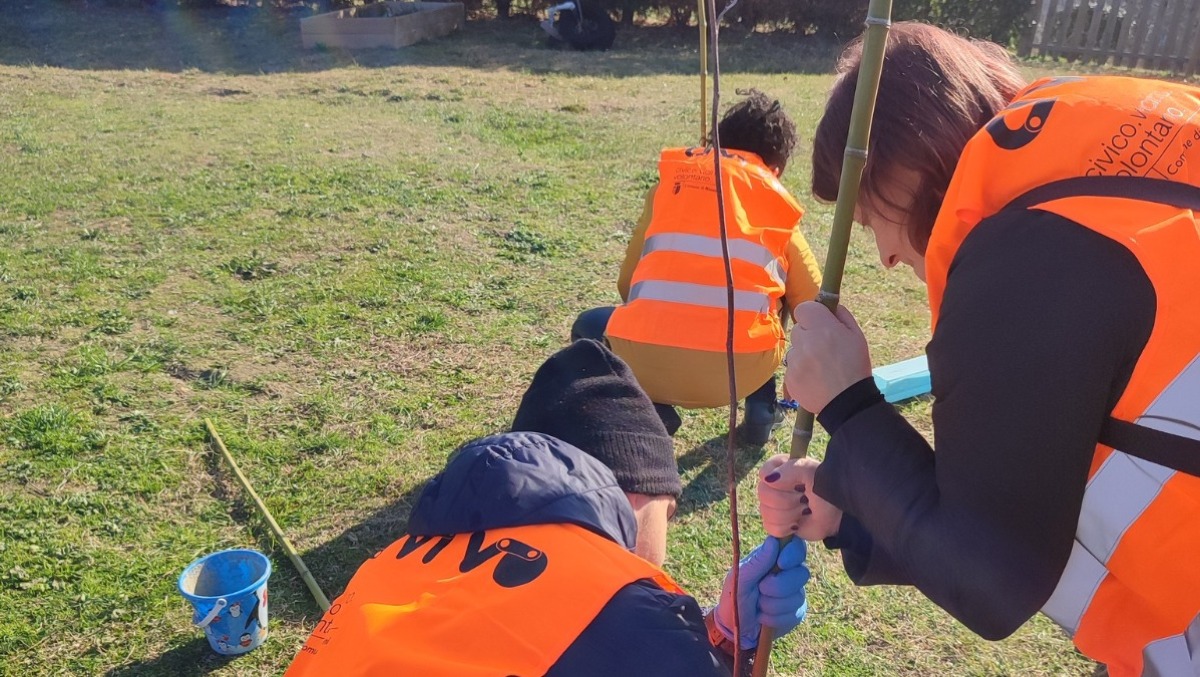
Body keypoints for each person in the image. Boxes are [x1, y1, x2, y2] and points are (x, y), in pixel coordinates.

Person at [757, 21, 1200, 677]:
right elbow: (1022, 506)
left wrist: (849, 408)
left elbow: (991, 579)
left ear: (907, 153)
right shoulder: (1104, 192)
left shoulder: (1028, 258)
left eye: (873, 215)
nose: (881, 253)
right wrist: (853, 507)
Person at [285, 339, 810, 676]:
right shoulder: (623, 615)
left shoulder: (392, 563)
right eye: (665, 514)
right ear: (631, 499)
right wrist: (721, 645)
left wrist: (718, 626)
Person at [572, 89, 823, 445]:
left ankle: (648, 410)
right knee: (775, 290)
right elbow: (811, 302)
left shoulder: (668, 187)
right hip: (743, 372)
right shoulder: (774, 202)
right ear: (776, 168)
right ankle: (761, 409)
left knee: (587, 326)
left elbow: (628, 284)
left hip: (642, 357)